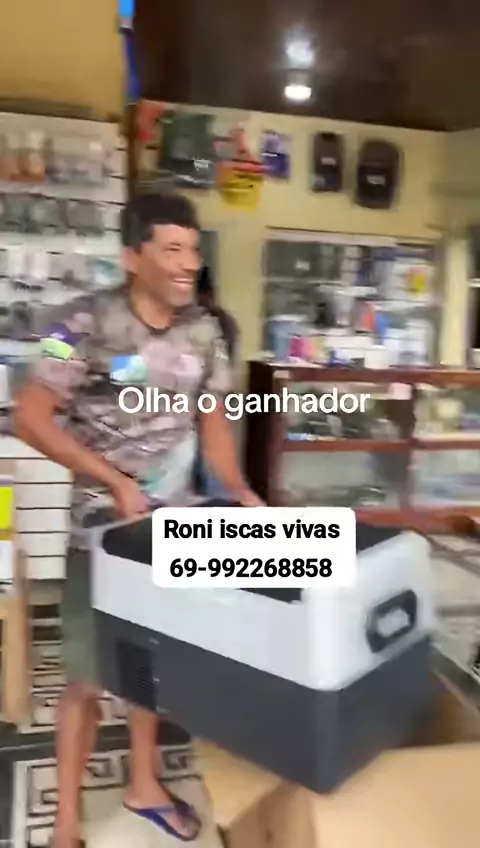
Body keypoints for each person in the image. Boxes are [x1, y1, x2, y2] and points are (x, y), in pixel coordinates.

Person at [14, 191, 262, 848]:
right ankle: (66, 824)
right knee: (86, 676)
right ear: (132, 257)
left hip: (174, 529)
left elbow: (214, 427)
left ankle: (144, 784)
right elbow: (30, 418)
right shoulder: (74, 324)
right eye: (171, 249)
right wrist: (114, 482)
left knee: (153, 664)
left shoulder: (207, 333)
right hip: (100, 529)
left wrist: (241, 491)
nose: (188, 263)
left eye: (193, 250)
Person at [195, 265, 240, 498]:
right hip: (219, 405)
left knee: (209, 471)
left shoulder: (204, 322)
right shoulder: (225, 320)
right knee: (214, 472)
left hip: (203, 406)